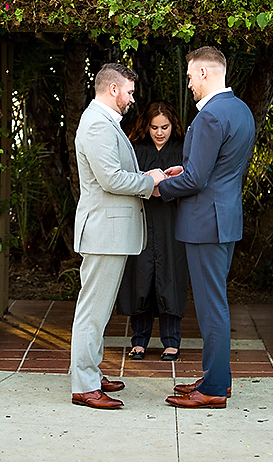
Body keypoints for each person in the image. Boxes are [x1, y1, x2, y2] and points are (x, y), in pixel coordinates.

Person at [156, 46, 255, 409]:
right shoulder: (241, 110)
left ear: (203, 73)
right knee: (216, 303)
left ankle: (213, 389)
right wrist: (185, 173)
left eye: (189, 77)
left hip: (205, 223)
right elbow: (220, 170)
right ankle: (218, 378)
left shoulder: (211, 116)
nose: (188, 84)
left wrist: (158, 187)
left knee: (212, 307)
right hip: (223, 217)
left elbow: (197, 179)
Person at [69, 63, 167, 410]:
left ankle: (91, 373)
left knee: (100, 308)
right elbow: (110, 179)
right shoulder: (97, 124)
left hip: (109, 232)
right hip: (103, 232)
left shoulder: (106, 123)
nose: (132, 97)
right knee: (92, 311)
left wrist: (150, 175)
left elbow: (116, 173)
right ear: (113, 90)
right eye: (129, 91)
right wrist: (150, 182)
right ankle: (84, 385)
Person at [116, 101, 188, 362]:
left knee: (171, 278)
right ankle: (139, 340)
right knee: (141, 279)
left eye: (165, 127)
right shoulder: (136, 149)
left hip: (172, 223)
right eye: (154, 127)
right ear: (146, 126)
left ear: (173, 126)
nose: (160, 132)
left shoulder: (182, 150)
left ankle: (171, 341)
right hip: (143, 221)